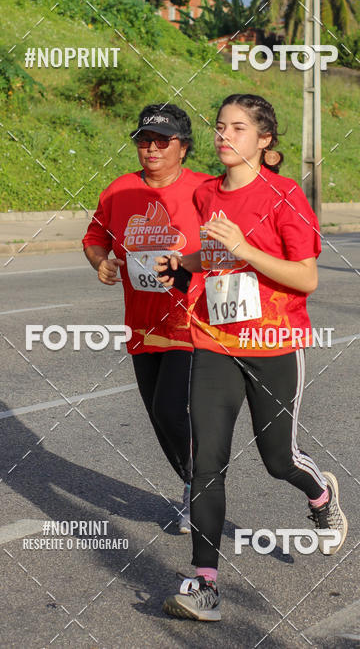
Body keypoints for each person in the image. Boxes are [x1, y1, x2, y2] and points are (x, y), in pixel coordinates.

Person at [158, 93, 347, 622]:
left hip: (273, 344)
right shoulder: (207, 194)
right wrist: (183, 263)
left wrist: (243, 248)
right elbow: (214, 254)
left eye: (238, 128)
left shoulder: (285, 195)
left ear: (264, 141)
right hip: (215, 341)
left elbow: (305, 276)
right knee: (207, 462)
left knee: (277, 460)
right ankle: (204, 584)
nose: (224, 136)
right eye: (219, 126)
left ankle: (319, 493)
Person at [82, 103, 210, 533]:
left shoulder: (206, 189)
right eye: (143, 141)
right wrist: (100, 261)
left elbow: (232, 244)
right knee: (158, 414)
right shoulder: (119, 191)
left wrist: (190, 264)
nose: (151, 149)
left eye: (161, 141)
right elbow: (95, 235)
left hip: (192, 320)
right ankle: (195, 482)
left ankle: (202, 489)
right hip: (141, 323)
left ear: (184, 147)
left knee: (172, 409)